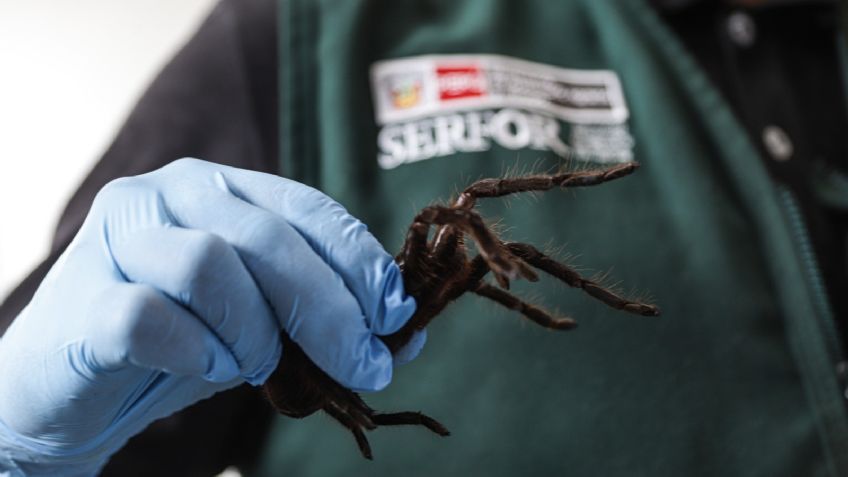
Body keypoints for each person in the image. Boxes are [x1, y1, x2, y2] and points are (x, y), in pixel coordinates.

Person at [2, 0, 847, 475]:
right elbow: (102, 355)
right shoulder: (306, 37)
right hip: (302, 382)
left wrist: (507, 273)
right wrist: (15, 445)